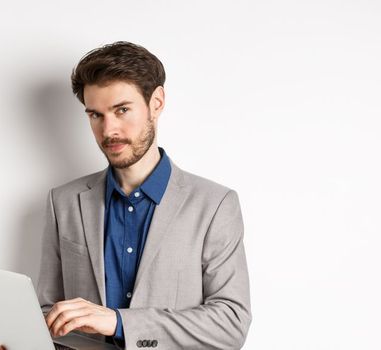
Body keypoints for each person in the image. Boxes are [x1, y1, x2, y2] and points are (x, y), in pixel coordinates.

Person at [35, 41, 251, 350]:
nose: (109, 130)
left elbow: (231, 323)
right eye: (95, 115)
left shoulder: (215, 205)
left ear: (156, 103)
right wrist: (24, 340)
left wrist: (120, 322)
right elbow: (49, 315)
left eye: (121, 110)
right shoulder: (63, 202)